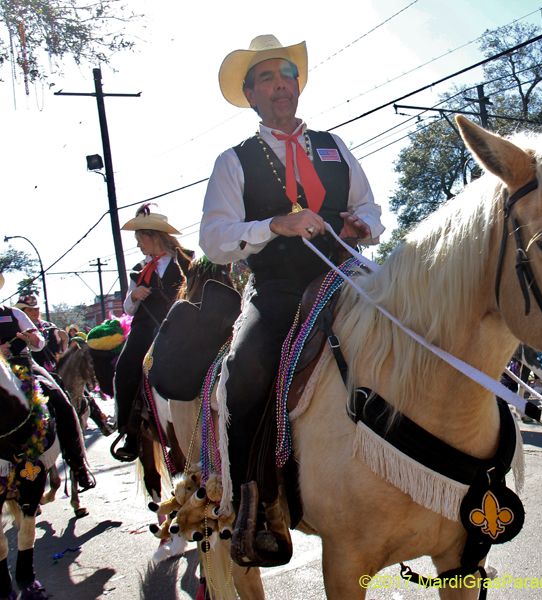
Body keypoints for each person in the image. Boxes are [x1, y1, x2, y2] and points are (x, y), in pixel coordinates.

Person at [200, 35, 384, 563]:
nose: (281, 84)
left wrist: (360, 225)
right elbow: (214, 238)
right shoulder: (233, 161)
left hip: (347, 273)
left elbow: (370, 207)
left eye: (287, 74)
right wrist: (275, 224)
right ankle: (254, 505)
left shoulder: (333, 145)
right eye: (266, 78)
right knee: (248, 368)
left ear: (298, 85)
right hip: (279, 287)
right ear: (251, 96)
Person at [111, 205, 193, 462]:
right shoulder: (138, 270)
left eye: (140, 239)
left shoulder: (186, 260)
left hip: (180, 324)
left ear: (154, 237)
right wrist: (134, 295)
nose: (138, 245)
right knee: (124, 367)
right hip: (146, 328)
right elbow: (129, 308)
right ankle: (129, 432)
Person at [0, 276, 94, 491]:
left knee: (61, 401)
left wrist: (33, 339)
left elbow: (39, 342)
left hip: (23, 364)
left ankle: (78, 465)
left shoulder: (14, 314)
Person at [13, 294, 67, 373]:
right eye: (29, 310)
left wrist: (65, 340)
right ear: (22, 312)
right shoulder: (16, 329)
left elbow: (61, 351)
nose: (34, 312)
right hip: (26, 369)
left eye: (36, 309)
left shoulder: (50, 327)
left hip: (52, 369)